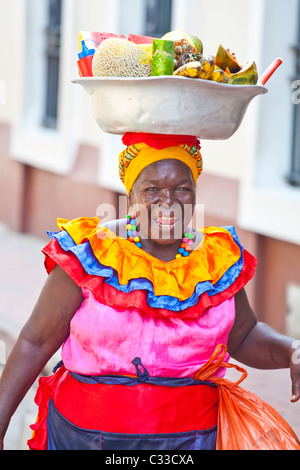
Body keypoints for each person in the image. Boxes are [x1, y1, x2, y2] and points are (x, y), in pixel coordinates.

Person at [0, 132, 299, 450]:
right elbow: (36, 341)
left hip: (192, 442)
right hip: (85, 439)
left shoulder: (216, 261)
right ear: (131, 195)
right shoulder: (90, 254)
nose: (168, 203)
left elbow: (244, 335)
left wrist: (292, 349)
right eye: (152, 189)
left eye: (182, 189)